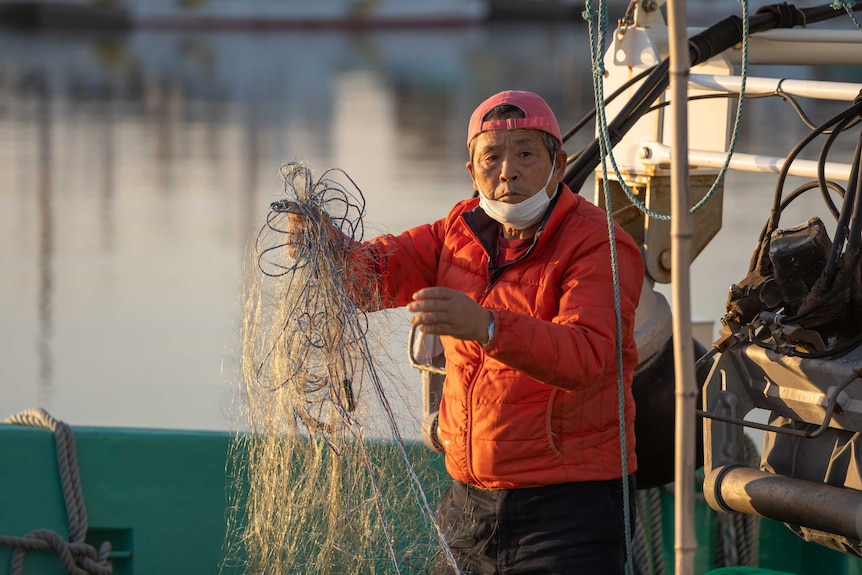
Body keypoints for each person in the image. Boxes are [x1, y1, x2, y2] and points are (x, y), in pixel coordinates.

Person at [293, 90, 645, 574]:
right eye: (491, 157)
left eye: (525, 153)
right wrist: (327, 250)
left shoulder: (599, 243)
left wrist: (488, 325)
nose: (507, 171)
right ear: (472, 171)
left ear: (559, 165)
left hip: (569, 510)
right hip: (469, 505)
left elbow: (587, 356)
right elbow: (372, 274)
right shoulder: (460, 229)